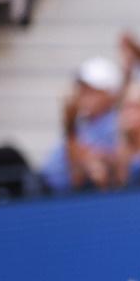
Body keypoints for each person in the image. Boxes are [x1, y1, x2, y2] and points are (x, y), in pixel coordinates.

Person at [41, 57, 124, 193]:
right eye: (82, 89)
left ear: (111, 95)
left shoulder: (116, 124)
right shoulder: (83, 122)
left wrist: (69, 125)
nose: (83, 95)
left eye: (92, 91)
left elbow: (82, 172)